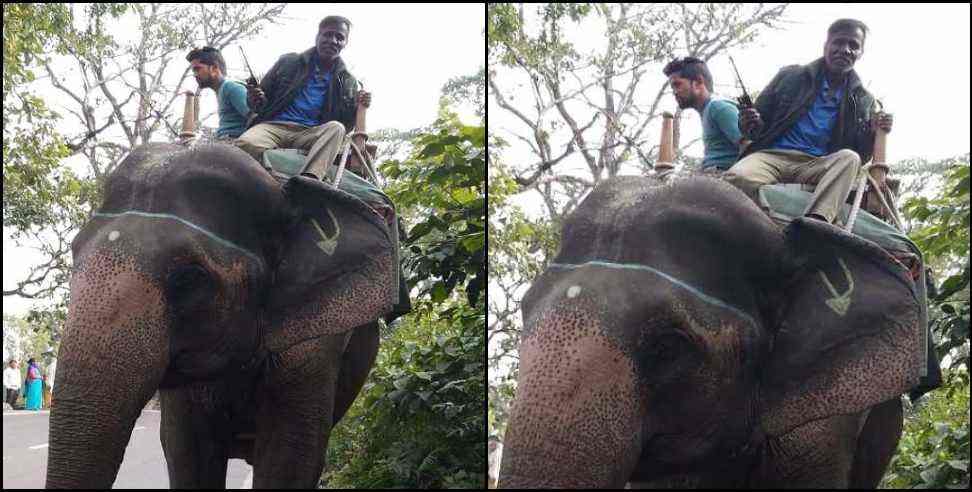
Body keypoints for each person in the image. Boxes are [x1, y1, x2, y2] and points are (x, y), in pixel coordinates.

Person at [724, 19, 893, 225]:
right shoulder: (790, 76)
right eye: (838, 43)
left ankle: (816, 223)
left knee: (850, 158)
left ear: (861, 53)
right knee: (736, 178)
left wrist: (873, 133)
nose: (845, 50)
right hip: (772, 157)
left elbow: (862, 156)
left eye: (853, 45)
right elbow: (754, 126)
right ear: (826, 46)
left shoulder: (864, 99)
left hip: (817, 165)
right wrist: (749, 121)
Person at [235, 15, 371, 179]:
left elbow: (346, 126)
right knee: (245, 144)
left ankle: (309, 180)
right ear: (318, 36)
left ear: (345, 43)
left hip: (311, 133)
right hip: (274, 127)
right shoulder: (288, 61)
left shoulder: (348, 80)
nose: (333, 40)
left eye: (339, 37)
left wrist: (358, 107)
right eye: (328, 34)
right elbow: (257, 103)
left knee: (337, 128)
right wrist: (255, 97)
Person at [663, 57, 745, 171]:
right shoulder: (706, 112)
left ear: (698, 82)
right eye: (673, 88)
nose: (675, 92)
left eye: (677, 85)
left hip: (725, 178)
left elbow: (749, 147)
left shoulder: (718, 107)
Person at [186, 46, 251, 140]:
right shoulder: (220, 91)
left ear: (214, 68)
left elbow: (255, 118)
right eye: (194, 71)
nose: (195, 75)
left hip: (235, 143)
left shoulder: (231, 87)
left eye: (198, 69)